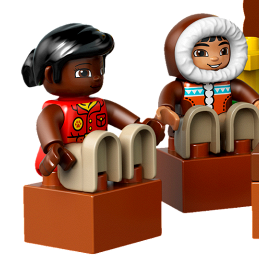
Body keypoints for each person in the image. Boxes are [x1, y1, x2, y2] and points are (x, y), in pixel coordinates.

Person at [22, 23, 164, 182]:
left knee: (121, 156)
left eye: (101, 70)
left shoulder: (101, 105)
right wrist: (53, 147)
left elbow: (119, 116)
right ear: (50, 75)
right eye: (83, 72)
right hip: (66, 167)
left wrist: (141, 128)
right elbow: (45, 123)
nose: (97, 77)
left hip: (99, 160)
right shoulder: (55, 110)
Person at [155, 14, 259, 157]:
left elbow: (243, 92)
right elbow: (168, 97)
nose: (215, 58)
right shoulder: (181, 87)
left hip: (226, 130)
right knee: (198, 123)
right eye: (201, 52)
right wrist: (166, 110)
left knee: (241, 115)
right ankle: (201, 151)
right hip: (192, 131)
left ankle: (241, 146)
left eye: (223, 51)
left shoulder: (228, 83)